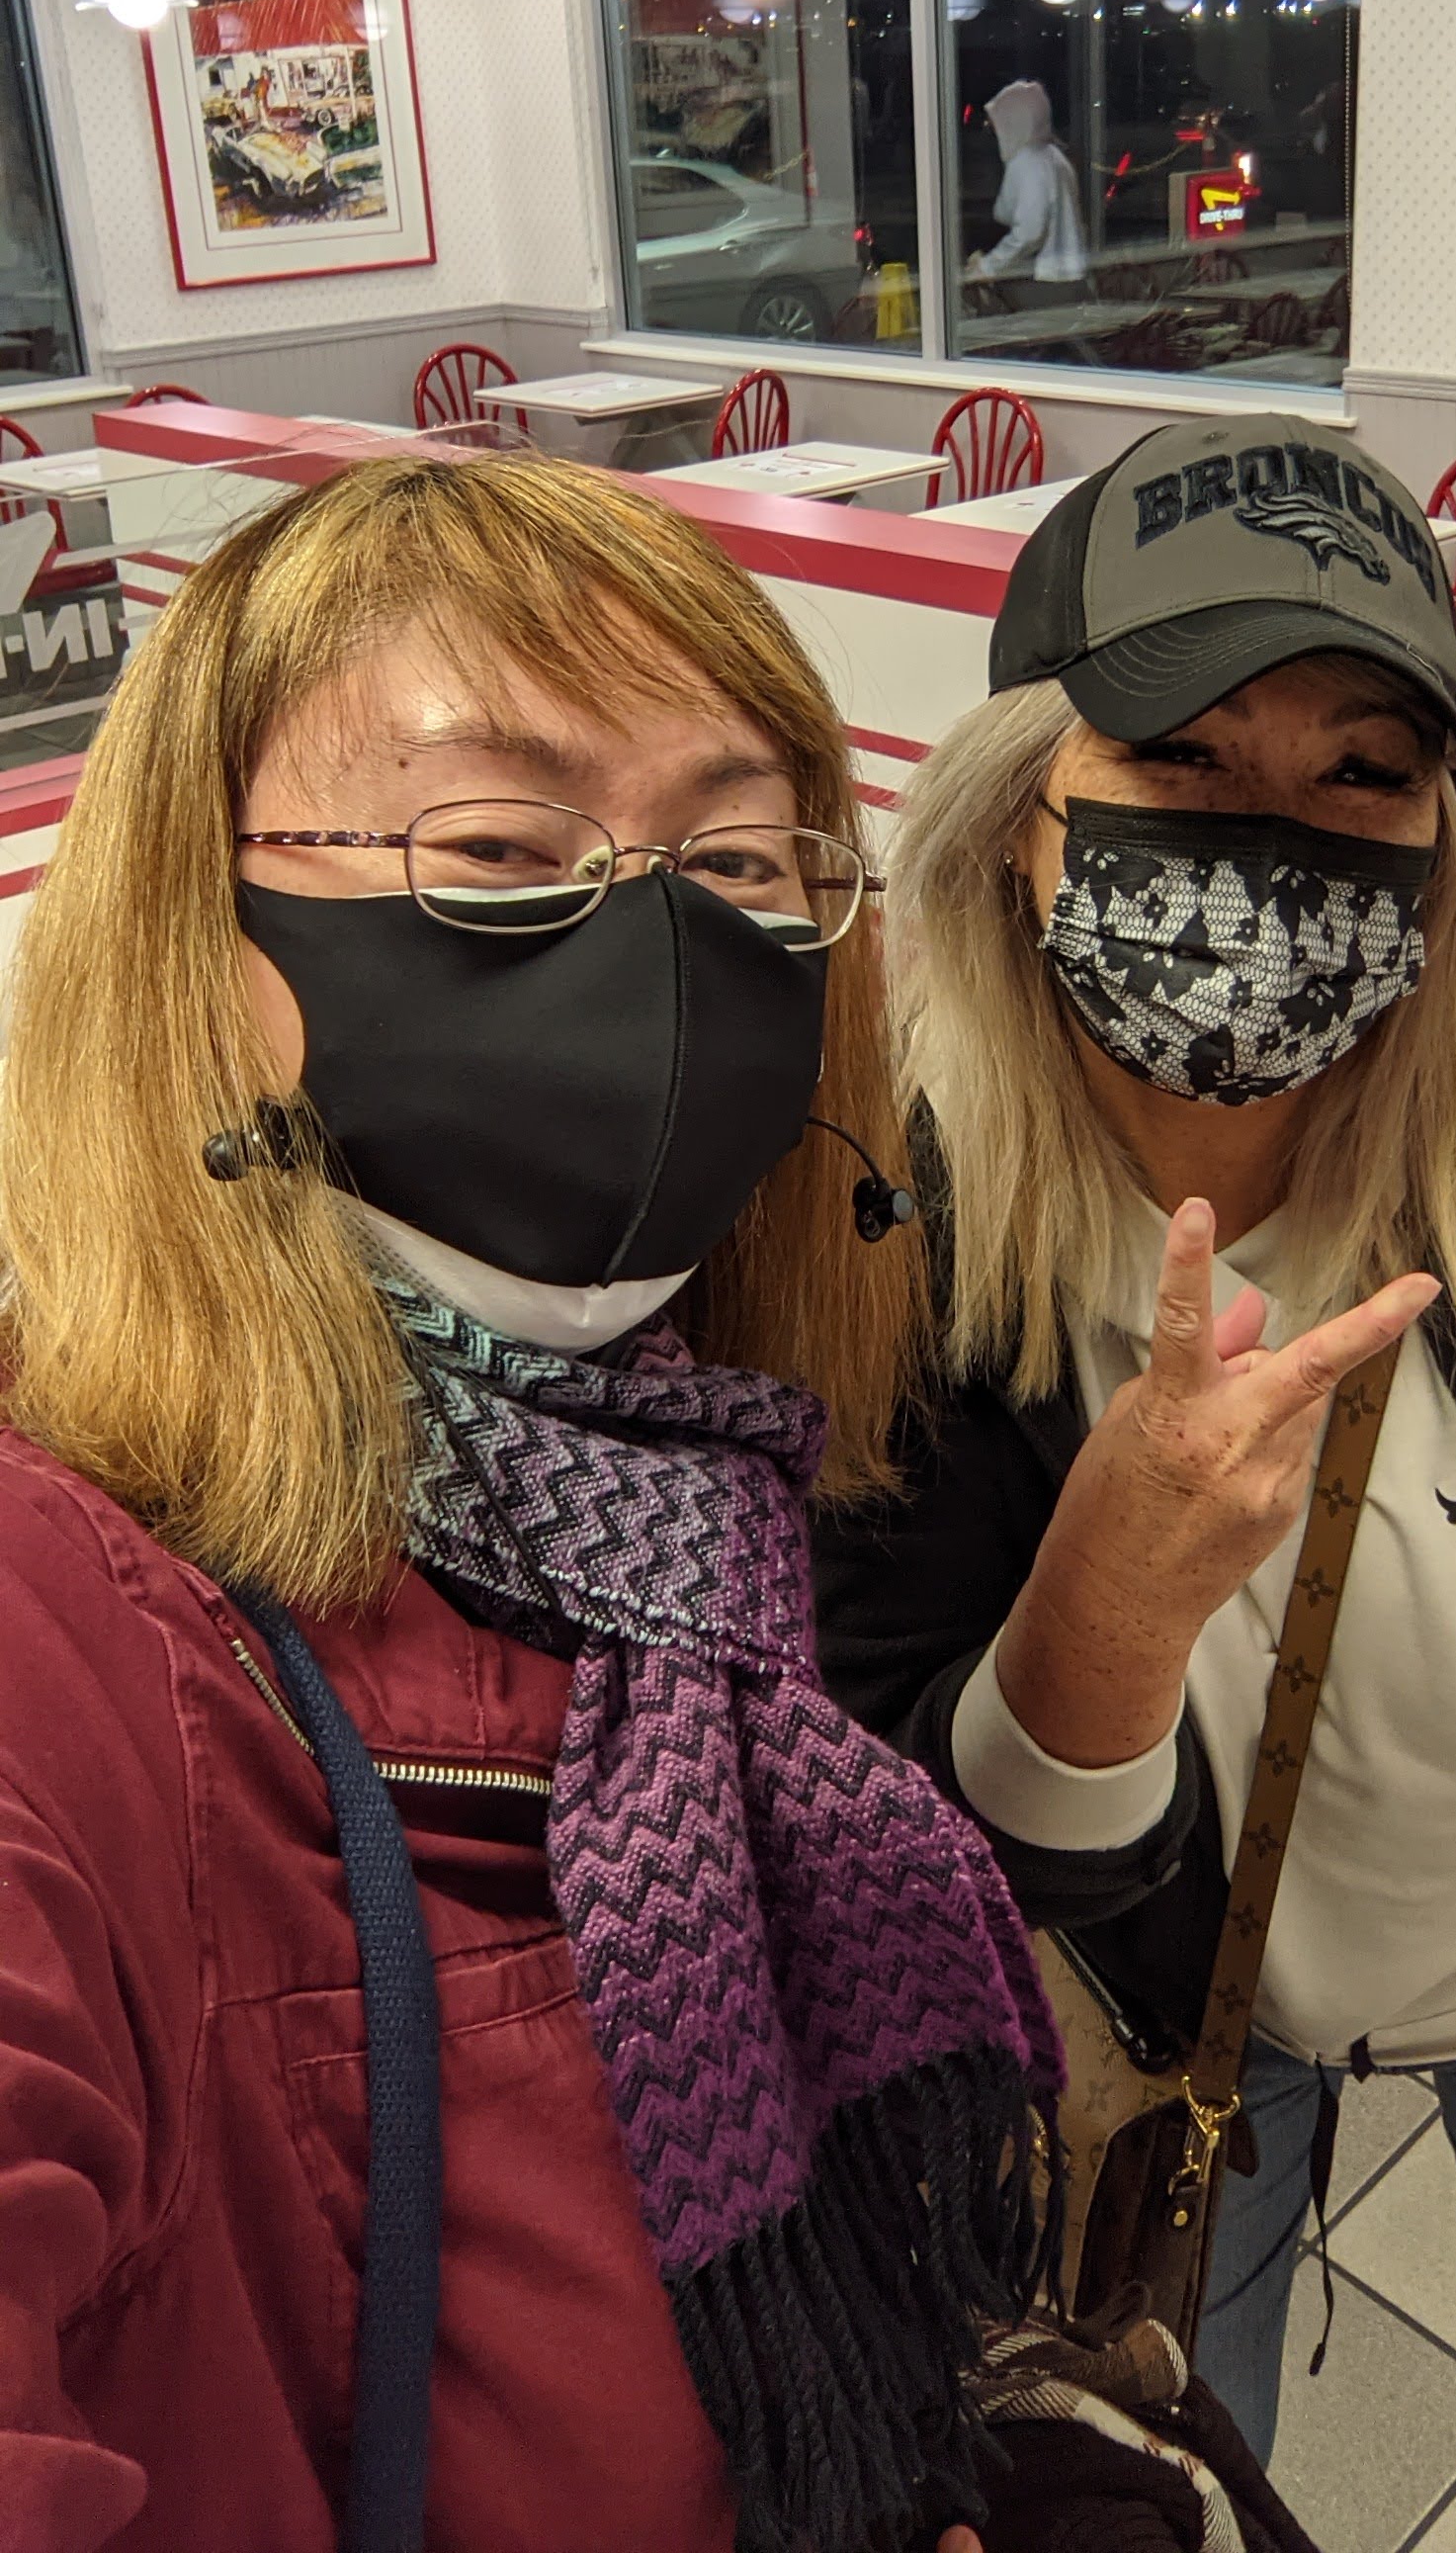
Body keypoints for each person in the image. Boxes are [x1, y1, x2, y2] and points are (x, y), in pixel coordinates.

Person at [0, 449, 1068, 2553]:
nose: (661, 947)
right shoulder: (68, 1635)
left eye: (740, 861)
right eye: (496, 843)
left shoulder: (697, 1501)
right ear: (202, 943)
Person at [815, 412, 1456, 2553]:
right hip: (1177, 2025)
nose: (1273, 840)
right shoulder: (891, 1239)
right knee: (1176, 2484)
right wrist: (1106, 1612)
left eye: (1364, 771)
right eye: (1182, 757)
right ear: (1016, 817)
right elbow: (914, 1822)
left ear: (1446, 838)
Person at [971, 80, 1088, 307]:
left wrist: (988, 266)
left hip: (1044, 282)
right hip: (1068, 277)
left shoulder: (1029, 163)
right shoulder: (1054, 157)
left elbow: (1030, 232)